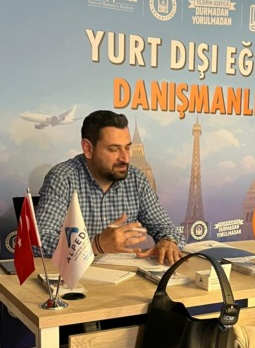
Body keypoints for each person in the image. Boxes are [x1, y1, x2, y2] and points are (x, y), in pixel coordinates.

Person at [35, 110, 184, 265]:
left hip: (123, 275)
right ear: (88, 148)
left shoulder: (136, 179)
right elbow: (39, 242)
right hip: (75, 275)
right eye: (114, 149)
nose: (125, 158)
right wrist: (94, 245)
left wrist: (168, 241)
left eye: (127, 148)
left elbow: (166, 228)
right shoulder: (63, 178)